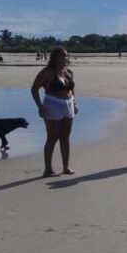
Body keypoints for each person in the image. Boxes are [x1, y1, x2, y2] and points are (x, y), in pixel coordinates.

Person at [30, 47, 77, 176]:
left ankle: (66, 167)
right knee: (52, 138)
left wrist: (74, 103)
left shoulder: (69, 72)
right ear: (54, 58)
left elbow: (72, 90)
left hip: (68, 105)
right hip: (52, 104)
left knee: (65, 138)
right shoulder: (47, 72)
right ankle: (48, 169)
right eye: (62, 56)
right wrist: (40, 106)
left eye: (66, 56)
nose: (65, 58)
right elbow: (34, 89)